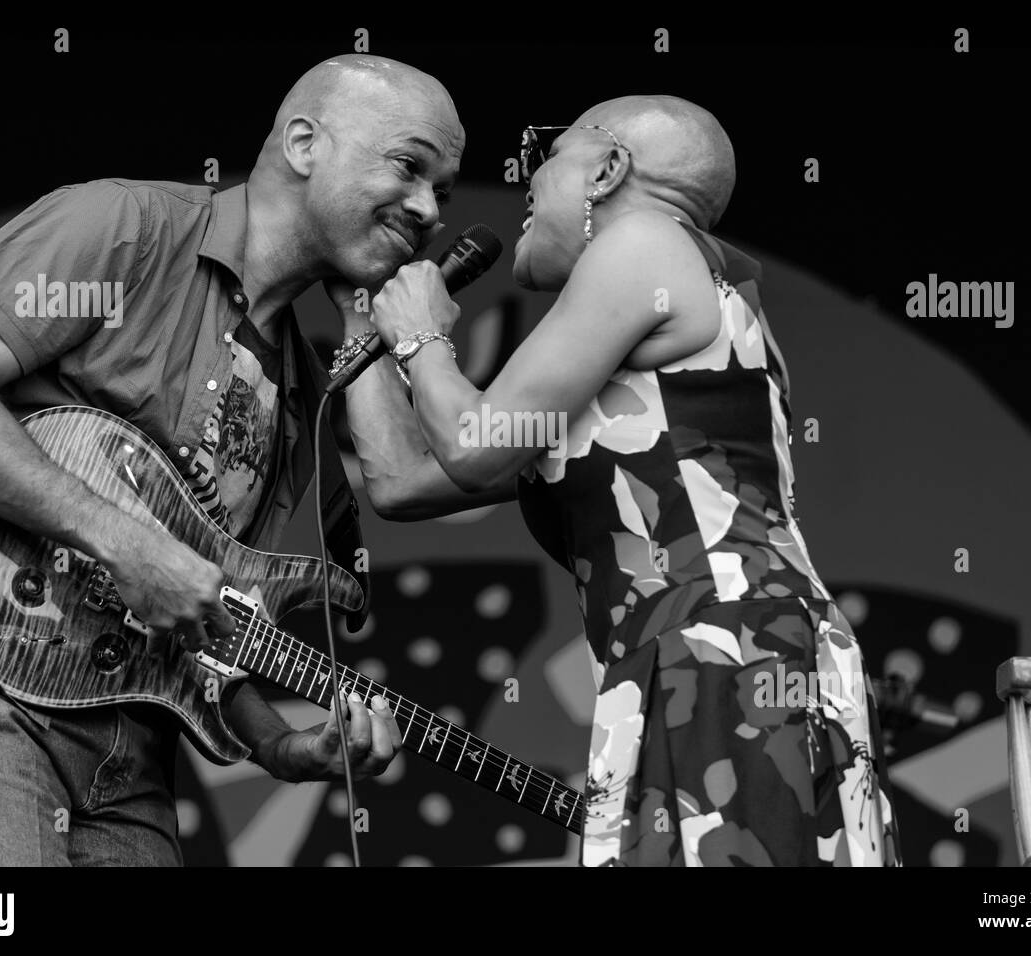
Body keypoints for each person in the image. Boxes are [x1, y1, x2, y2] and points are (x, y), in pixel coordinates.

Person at [0, 54, 463, 866]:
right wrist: (126, 544)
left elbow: (205, 618)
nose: (429, 208)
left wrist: (279, 748)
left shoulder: (300, 391)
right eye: (409, 166)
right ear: (303, 142)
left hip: (129, 751)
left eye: (445, 193)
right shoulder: (122, 226)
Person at [333, 95, 902, 866]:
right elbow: (402, 482)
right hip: (702, 657)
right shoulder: (635, 342)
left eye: (549, 153)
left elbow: (473, 443)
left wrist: (424, 337)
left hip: (723, 649)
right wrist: (365, 327)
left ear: (607, 169)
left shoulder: (646, 243)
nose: (527, 180)